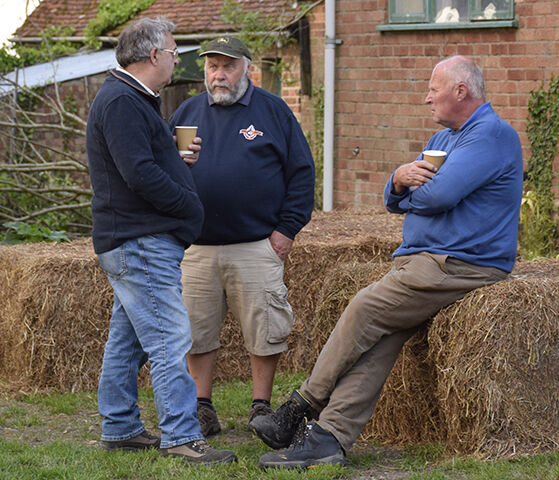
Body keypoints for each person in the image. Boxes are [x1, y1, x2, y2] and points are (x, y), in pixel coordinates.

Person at [249, 55, 524, 469]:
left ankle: (300, 405)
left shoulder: (492, 135)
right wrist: (397, 180)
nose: (426, 98)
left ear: (460, 91)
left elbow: (439, 195)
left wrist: (412, 191)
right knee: (380, 341)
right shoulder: (445, 138)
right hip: (426, 262)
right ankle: (329, 438)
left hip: (461, 264)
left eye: (433, 90)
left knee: (365, 306)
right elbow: (395, 198)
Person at [86, 17, 236, 465]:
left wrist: (172, 154)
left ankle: (119, 426)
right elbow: (139, 174)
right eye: (173, 52)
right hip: (140, 240)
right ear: (153, 55)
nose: (176, 60)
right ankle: (181, 435)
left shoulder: (132, 99)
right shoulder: (122, 101)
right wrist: (187, 206)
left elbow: (142, 161)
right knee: (171, 337)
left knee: (128, 341)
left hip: (134, 239)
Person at [168, 36, 315, 437]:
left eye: (228, 66)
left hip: (256, 244)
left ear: (247, 68)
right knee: (196, 331)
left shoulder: (272, 111)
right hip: (197, 246)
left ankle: (260, 406)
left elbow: (302, 174)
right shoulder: (186, 113)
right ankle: (202, 406)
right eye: (212, 66)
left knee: (265, 329)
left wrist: (286, 231)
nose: (219, 75)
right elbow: (162, 170)